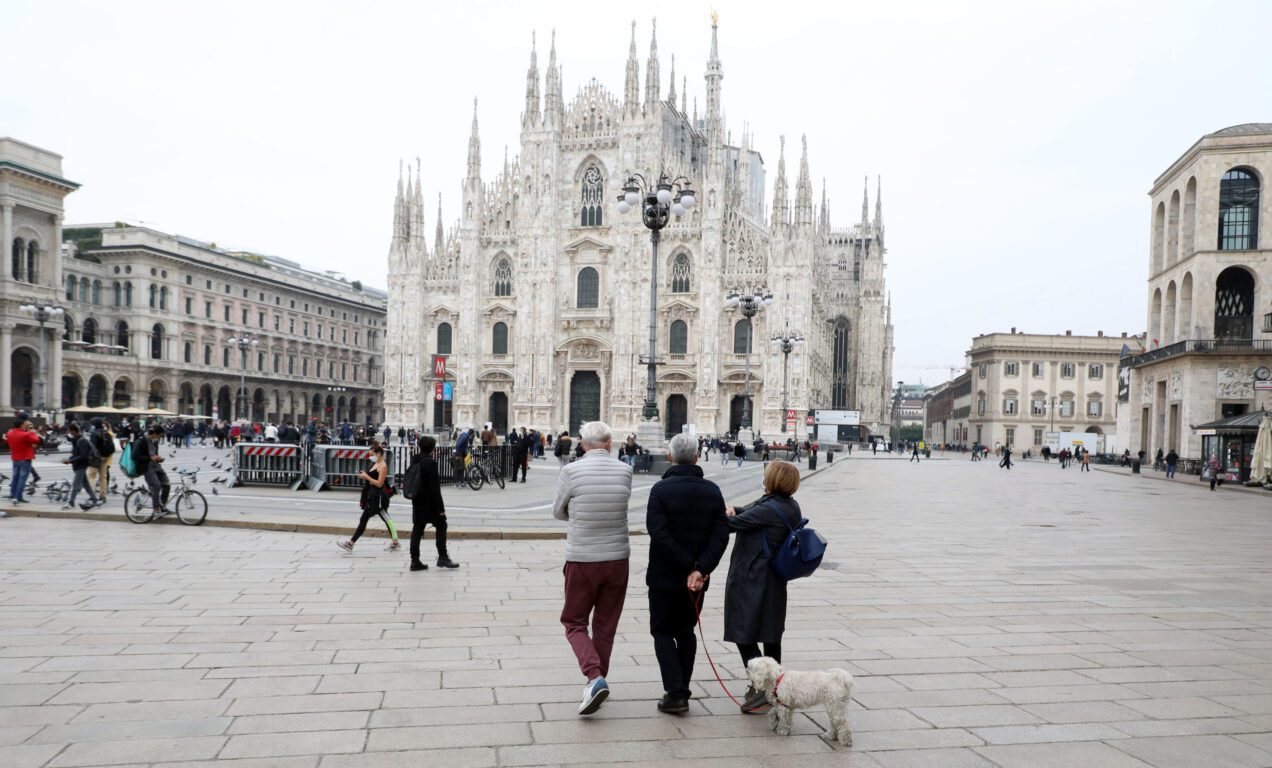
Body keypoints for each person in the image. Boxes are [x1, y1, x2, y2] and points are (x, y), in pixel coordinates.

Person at [553, 420, 633, 716]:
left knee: (574, 622)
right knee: (605, 625)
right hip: (617, 560)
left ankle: (594, 677)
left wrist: (577, 519)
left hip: (582, 559)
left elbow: (557, 510)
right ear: (609, 444)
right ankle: (599, 681)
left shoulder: (570, 471)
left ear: (582, 444)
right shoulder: (626, 471)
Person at [645, 433, 729, 714]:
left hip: (664, 576)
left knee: (661, 631)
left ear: (670, 457)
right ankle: (680, 691)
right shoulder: (713, 491)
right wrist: (699, 569)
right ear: (696, 457)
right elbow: (720, 535)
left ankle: (676, 692)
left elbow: (658, 533)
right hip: (696, 581)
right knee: (686, 631)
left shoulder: (660, 491)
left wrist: (687, 566)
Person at [723, 461, 803, 713]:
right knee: (770, 635)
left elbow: (731, 524)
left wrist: (717, 511)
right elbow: (749, 512)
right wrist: (737, 509)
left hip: (754, 579)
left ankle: (763, 687)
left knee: (742, 633)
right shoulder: (789, 505)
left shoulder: (770, 508)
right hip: (773, 580)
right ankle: (776, 687)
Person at [407, 436, 459, 571]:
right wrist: (441, 509)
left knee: (417, 529)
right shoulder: (430, 463)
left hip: (417, 499)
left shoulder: (415, 460)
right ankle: (443, 557)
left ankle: (415, 560)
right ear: (433, 449)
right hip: (429, 502)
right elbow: (435, 488)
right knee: (442, 524)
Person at [337, 444, 400, 551]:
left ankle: (351, 543)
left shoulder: (383, 466)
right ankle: (395, 542)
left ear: (378, 453)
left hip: (378, 497)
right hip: (373, 496)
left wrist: (366, 477)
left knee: (368, 519)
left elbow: (380, 483)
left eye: (372, 454)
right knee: (385, 519)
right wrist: (364, 475)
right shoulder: (376, 463)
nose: (370, 457)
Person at [62, 422, 102, 510]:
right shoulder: (76, 439)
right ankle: (95, 499)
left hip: (81, 465)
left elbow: (83, 456)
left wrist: (70, 460)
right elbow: (75, 452)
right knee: (86, 485)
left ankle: (70, 502)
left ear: (73, 431)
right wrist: (69, 459)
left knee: (75, 485)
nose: (68, 432)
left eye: (69, 431)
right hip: (78, 465)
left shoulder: (82, 441)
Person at [132, 425, 170, 515]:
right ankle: (155, 510)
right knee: (156, 486)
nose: (161, 437)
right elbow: (134, 456)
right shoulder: (141, 441)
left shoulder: (155, 441)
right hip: (146, 467)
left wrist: (158, 458)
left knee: (166, 484)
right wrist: (150, 458)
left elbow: (154, 454)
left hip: (156, 466)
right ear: (154, 434)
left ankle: (162, 507)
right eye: (160, 435)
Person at [5, 418, 41, 509]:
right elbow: (36, 440)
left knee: (15, 478)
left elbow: (6, 440)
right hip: (25, 459)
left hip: (15, 458)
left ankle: (12, 494)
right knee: (22, 479)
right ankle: (19, 496)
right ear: (21, 425)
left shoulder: (9, 434)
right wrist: (32, 432)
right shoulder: (25, 435)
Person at [87, 417, 115, 501]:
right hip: (105, 457)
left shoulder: (94, 433)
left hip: (96, 457)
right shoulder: (106, 433)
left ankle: (92, 495)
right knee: (103, 477)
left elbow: (92, 447)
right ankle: (103, 496)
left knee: (92, 476)